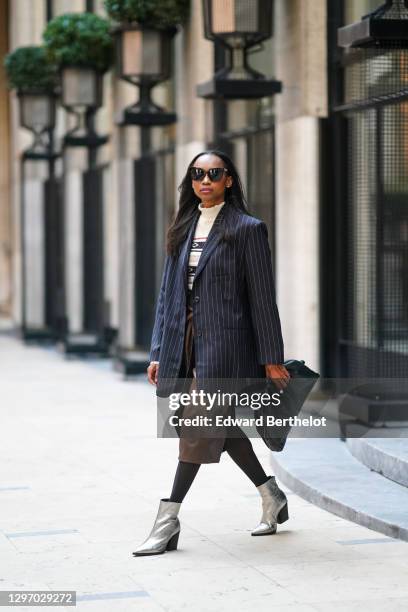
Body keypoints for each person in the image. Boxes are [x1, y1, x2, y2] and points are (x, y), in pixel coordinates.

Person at [133, 150, 290, 557]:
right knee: (215, 427)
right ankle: (271, 495)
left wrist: (272, 356)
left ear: (229, 180)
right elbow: (168, 295)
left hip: (227, 347)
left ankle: (167, 519)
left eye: (214, 174)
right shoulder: (182, 226)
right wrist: (157, 350)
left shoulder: (247, 229)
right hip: (183, 344)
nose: (205, 180)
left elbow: (262, 299)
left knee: (197, 426)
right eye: (198, 174)